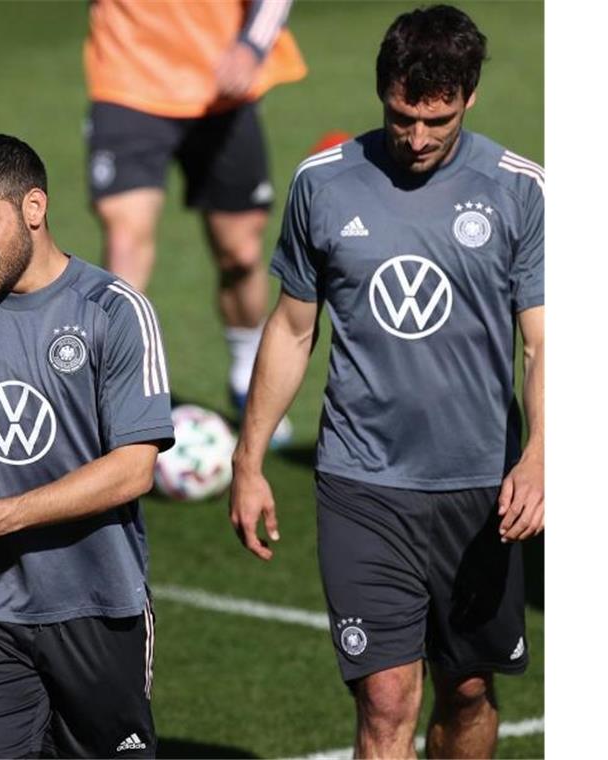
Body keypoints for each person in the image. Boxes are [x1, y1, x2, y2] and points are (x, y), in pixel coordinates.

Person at [229, 5, 543, 757]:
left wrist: (539, 455)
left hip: (480, 486)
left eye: (436, 120)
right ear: (383, 93)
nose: (417, 138)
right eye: (402, 117)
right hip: (361, 482)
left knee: (466, 690)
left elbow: (545, 344)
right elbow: (292, 328)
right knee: (385, 699)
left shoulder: (520, 191)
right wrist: (248, 463)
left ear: (469, 96)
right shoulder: (325, 185)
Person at [0, 134, 174, 758]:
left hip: (96, 605)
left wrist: (1, 517)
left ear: (34, 208)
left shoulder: (113, 312)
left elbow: (134, 469)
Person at [83, 0, 306, 443]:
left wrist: (251, 45)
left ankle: (246, 371)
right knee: (126, 241)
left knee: (240, 253)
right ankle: (112, 398)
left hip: (222, 84)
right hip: (128, 79)